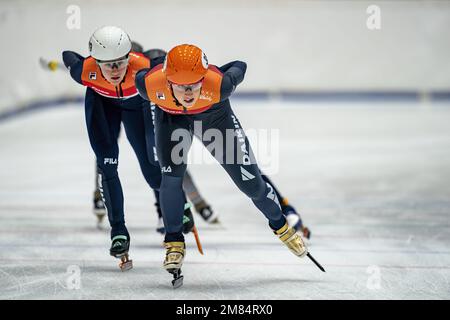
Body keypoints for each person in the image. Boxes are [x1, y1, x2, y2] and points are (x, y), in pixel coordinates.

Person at [135, 44, 310, 286]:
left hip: (214, 117)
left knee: (250, 184)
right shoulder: (149, 86)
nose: (187, 92)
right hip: (171, 119)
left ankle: (282, 227)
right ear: (167, 80)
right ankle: (174, 241)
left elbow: (240, 65)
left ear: (204, 78)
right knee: (171, 177)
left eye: (194, 84)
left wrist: (218, 71)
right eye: (180, 86)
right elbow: (139, 73)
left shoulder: (220, 85)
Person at [61, 26, 198, 270]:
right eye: (107, 64)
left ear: (129, 58)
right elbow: (68, 56)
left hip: (139, 109)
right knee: (107, 164)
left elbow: (169, 65)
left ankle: (181, 203)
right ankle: (118, 231)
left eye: (119, 63)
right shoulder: (85, 70)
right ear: (96, 61)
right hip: (104, 107)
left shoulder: (144, 66)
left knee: (153, 170)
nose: (114, 71)